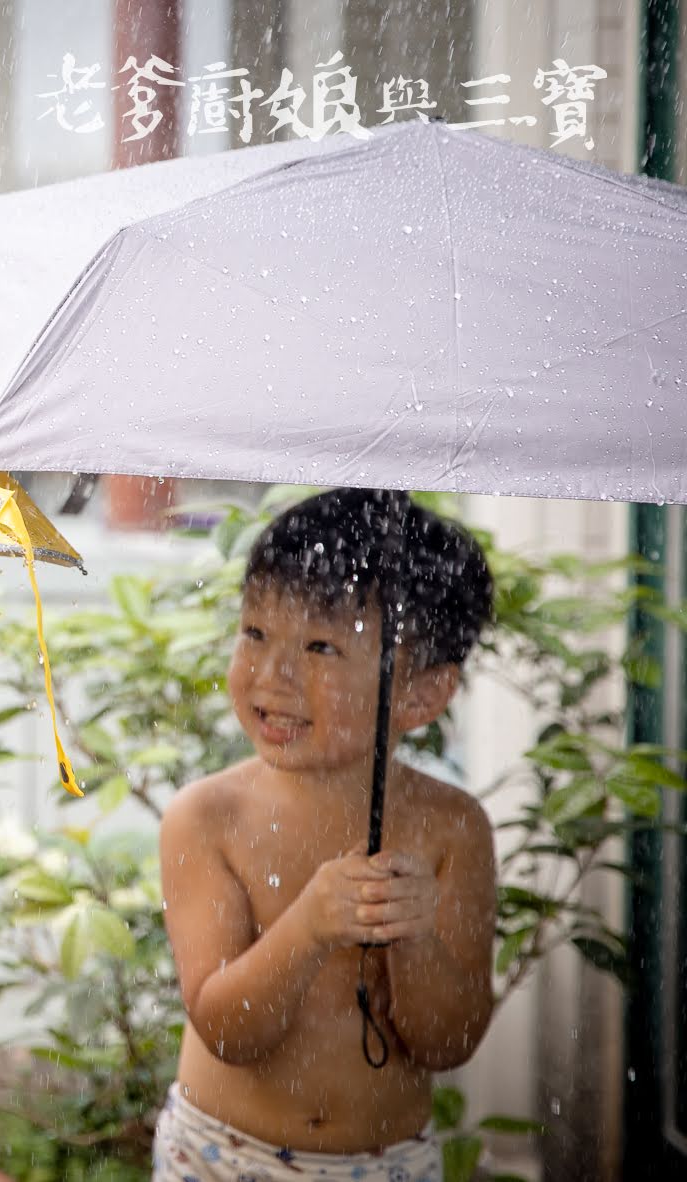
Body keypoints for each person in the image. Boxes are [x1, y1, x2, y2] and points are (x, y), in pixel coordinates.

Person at [156, 488, 497, 1182]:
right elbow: (225, 1028)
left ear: (421, 695)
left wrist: (416, 936)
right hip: (221, 1157)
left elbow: (447, 1043)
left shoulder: (450, 829)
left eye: (319, 646)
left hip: (386, 1163)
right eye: (255, 633)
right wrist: (306, 929)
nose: (273, 674)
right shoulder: (208, 819)